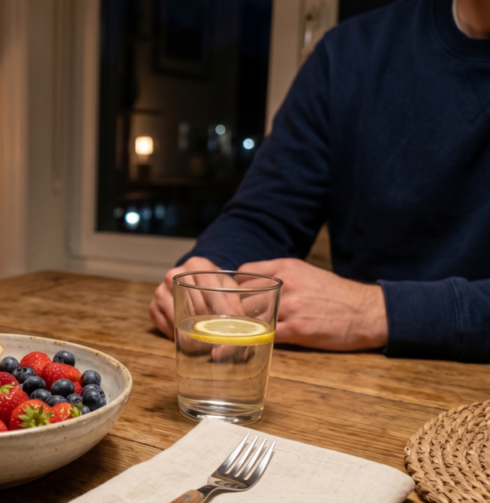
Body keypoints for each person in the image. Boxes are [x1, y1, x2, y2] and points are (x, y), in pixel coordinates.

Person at [149, 0, 490, 362]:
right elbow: (266, 215)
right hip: (352, 379)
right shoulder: (352, 53)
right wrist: (211, 273)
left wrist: (380, 312)